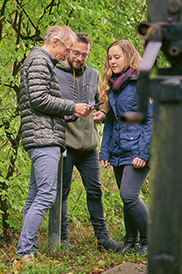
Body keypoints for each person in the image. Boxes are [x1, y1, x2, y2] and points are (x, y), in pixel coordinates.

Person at [16, 25, 92, 260]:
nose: (67, 55)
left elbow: (42, 103)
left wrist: (74, 113)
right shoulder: (40, 60)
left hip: (43, 134)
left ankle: (27, 248)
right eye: (68, 49)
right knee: (47, 195)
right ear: (56, 42)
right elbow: (39, 99)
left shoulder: (40, 61)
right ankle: (25, 251)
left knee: (35, 195)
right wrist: (71, 106)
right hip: (43, 138)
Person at [54, 33, 122, 252]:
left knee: (95, 191)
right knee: (62, 193)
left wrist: (102, 114)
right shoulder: (53, 73)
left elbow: (99, 103)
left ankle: (103, 239)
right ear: (68, 50)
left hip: (90, 146)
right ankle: (62, 240)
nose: (80, 58)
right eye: (76, 53)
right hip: (65, 144)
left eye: (85, 54)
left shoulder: (93, 74)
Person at [99, 40, 152, 256]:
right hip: (119, 150)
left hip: (139, 149)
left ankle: (150, 240)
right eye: (110, 57)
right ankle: (131, 240)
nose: (112, 61)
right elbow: (111, 122)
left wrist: (143, 153)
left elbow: (151, 120)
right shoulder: (113, 86)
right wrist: (104, 151)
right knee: (124, 197)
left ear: (128, 57)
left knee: (129, 195)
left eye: (117, 57)